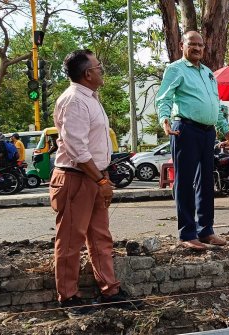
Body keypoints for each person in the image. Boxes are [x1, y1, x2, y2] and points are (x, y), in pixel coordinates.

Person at [50, 49, 140, 314]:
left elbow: (93, 145)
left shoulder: (89, 97)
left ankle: (110, 290)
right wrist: (101, 181)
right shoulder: (75, 101)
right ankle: (68, 297)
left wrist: (103, 177)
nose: (102, 70)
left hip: (94, 177)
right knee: (70, 241)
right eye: (99, 67)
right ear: (87, 74)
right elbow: (77, 151)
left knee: (101, 238)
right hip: (77, 178)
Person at [155, 30, 229, 251]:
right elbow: (164, 97)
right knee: (185, 182)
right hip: (185, 130)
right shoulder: (175, 69)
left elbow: (216, 105)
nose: (197, 48)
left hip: (208, 132)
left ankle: (206, 230)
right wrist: (164, 119)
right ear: (182, 45)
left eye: (200, 45)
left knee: (206, 183)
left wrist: (225, 130)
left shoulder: (209, 73)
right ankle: (188, 233)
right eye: (192, 44)